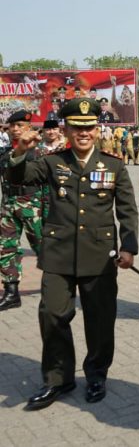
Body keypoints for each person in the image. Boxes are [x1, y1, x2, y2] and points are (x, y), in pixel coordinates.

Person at [8, 97, 138, 409]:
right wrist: (20, 150)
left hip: (99, 255)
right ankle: (58, 379)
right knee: (51, 315)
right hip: (58, 255)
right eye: (76, 127)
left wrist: (130, 247)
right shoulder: (52, 162)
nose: (83, 132)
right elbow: (16, 177)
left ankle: (96, 374)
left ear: (97, 129)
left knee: (99, 320)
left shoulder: (114, 165)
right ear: (66, 129)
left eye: (89, 127)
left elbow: (128, 211)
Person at [0, 110, 44, 311]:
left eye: (21, 126)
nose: (16, 130)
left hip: (32, 204)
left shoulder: (40, 152)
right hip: (9, 203)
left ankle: (57, 285)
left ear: (29, 128)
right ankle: (11, 293)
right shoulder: (5, 152)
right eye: (12, 126)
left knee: (43, 246)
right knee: (5, 247)